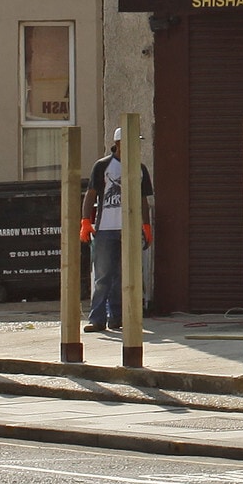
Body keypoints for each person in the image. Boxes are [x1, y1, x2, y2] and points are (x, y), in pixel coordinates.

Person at [84, 126, 152, 334]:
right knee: (103, 275)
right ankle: (97, 318)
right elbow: (91, 195)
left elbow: (143, 200)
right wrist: (86, 221)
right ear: (119, 143)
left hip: (129, 229)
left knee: (122, 277)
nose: (136, 146)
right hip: (106, 228)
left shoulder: (139, 168)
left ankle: (116, 318)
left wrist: (146, 225)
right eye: (132, 141)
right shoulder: (103, 166)